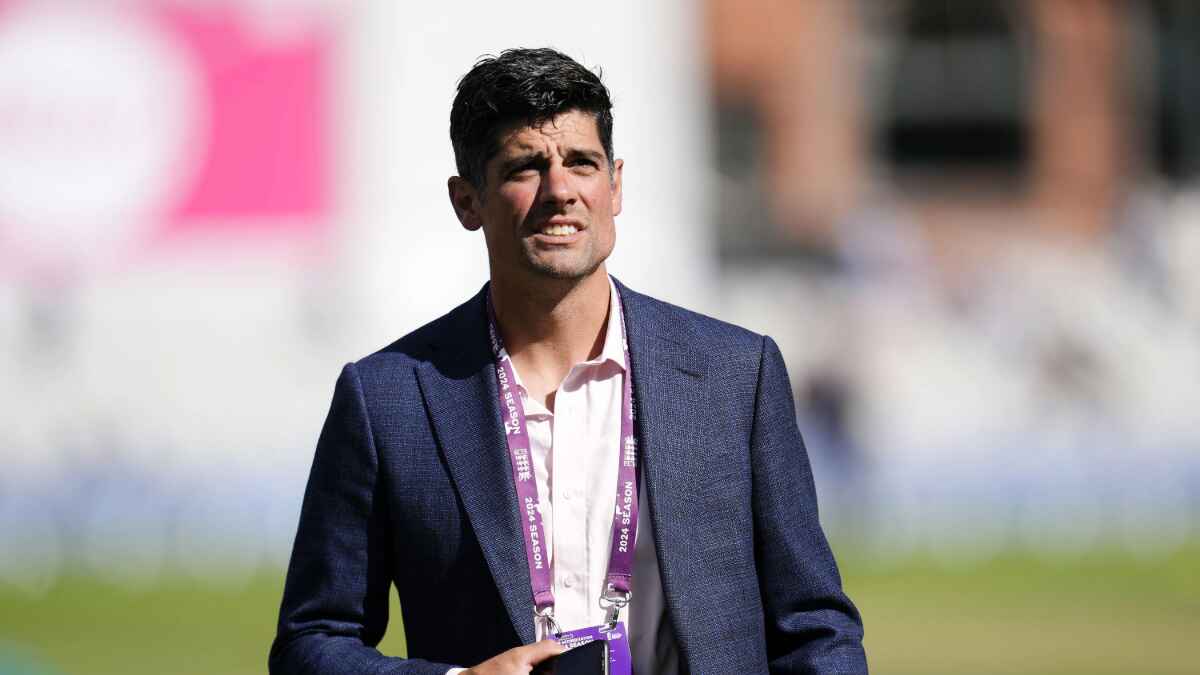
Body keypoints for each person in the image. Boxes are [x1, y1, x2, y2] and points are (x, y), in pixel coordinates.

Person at [270, 47, 866, 675]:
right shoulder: (387, 399)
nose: (560, 191)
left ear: (615, 186)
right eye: (525, 167)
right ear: (467, 201)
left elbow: (814, 627)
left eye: (582, 162)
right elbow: (312, 643)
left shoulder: (735, 374)